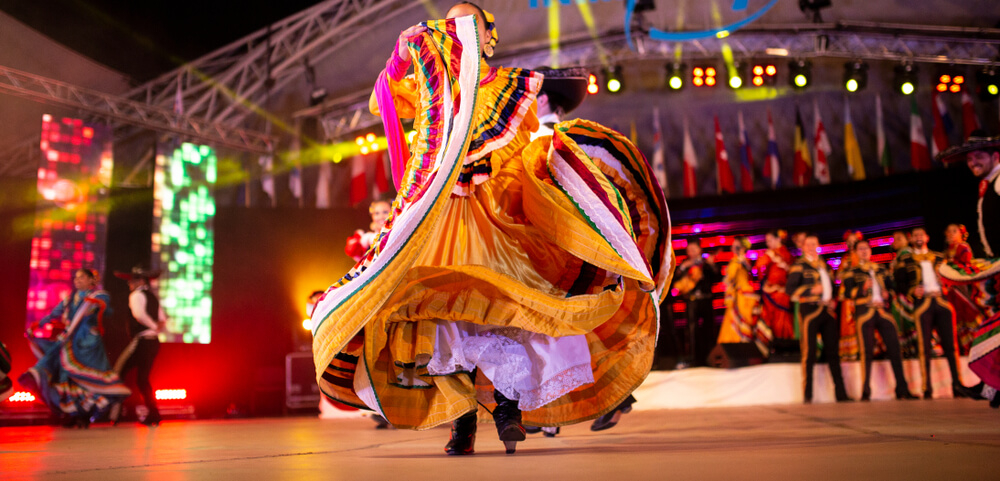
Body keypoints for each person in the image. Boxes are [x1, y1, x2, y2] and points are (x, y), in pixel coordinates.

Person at [309, 2, 671, 456]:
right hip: (436, 226)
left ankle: (506, 411)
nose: (459, 32)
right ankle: (463, 425)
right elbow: (380, 96)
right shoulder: (431, 84)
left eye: (470, 25)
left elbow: (518, 151)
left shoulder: (515, 85)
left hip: (493, 222)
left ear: (488, 35)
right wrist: (401, 54)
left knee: (507, 313)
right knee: (442, 322)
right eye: (451, 24)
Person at [18, 268, 130, 428]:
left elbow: (105, 308)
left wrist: (95, 308)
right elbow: (54, 313)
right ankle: (73, 415)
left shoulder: (98, 296)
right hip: (70, 342)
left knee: (85, 380)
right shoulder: (71, 299)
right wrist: (38, 324)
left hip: (88, 345)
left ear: (92, 280)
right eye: (76, 278)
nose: (77, 281)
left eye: (82, 278)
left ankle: (84, 417)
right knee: (67, 377)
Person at [937, 131, 1000, 407]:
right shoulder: (990, 184)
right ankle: (992, 389)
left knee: (994, 330)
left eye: (979, 157)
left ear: (995, 156)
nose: (973, 162)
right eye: (970, 158)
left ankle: (991, 389)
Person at [894, 227, 977, 399]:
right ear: (911, 240)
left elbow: (952, 275)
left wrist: (945, 284)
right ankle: (927, 387)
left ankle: (957, 384)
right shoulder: (906, 259)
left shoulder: (940, 257)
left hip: (941, 301)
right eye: (915, 235)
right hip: (923, 303)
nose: (918, 237)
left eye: (921, 235)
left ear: (927, 237)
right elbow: (899, 283)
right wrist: (912, 291)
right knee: (924, 347)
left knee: (950, 345)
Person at [842, 239, 918, 400]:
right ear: (855, 252)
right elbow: (847, 293)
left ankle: (902, 388)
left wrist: (887, 294)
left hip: (883, 312)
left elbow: (893, 289)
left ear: (870, 251)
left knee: (895, 349)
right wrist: (862, 288)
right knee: (866, 352)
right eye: (860, 249)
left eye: (866, 249)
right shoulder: (851, 271)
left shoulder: (881, 269)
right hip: (865, 312)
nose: (864, 251)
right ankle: (865, 390)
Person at [786, 234, 849, 403]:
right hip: (810, 310)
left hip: (827, 311)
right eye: (808, 245)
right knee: (809, 353)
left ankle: (841, 394)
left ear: (818, 245)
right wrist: (810, 291)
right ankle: (808, 395)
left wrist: (834, 300)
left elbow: (834, 286)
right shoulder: (799, 265)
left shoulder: (824, 265)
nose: (811, 247)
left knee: (833, 353)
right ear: (803, 247)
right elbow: (790, 289)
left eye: (814, 244)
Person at [112, 266, 167, 426]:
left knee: (119, 372)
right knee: (142, 379)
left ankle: (117, 413)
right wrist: (156, 328)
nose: (130, 283)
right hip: (153, 342)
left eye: (133, 280)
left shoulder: (136, 295)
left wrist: (152, 326)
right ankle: (153, 413)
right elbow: (163, 318)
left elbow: (139, 315)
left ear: (141, 281)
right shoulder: (152, 296)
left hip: (143, 341)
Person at [673, 239, 721, 367]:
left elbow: (717, 277)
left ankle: (710, 357)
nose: (691, 252)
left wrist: (711, 265)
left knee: (709, 329)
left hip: (706, 299)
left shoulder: (706, 263)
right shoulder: (685, 263)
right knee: (691, 330)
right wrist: (684, 267)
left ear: (700, 249)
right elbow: (675, 279)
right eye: (689, 250)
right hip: (692, 301)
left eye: (693, 249)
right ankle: (693, 358)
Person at [718, 237, 770, 353]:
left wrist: (740, 258)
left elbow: (749, 270)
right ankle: (734, 350)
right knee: (734, 321)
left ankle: (746, 349)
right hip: (737, 295)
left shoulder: (742, 260)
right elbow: (729, 278)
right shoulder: (735, 260)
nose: (733, 248)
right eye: (733, 246)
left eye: (736, 246)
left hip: (744, 296)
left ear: (742, 248)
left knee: (745, 321)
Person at [943, 224, 985, 355]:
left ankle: (978, 346)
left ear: (961, 234)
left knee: (969, 313)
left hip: (963, 286)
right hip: (952, 289)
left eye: (954, 231)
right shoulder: (946, 252)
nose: (951, 234)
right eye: (948, 231)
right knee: (957, 318)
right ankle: (964, 348)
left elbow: (966, 262)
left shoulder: (963, 247)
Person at [754, 230, 795, 340]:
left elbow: (758, 267)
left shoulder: (780, 254)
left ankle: (782, 345)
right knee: (780, 320)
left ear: (778, 239)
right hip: (778, 293)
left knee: (779, 320)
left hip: (779, 293)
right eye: (767, 241)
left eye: (769, 241)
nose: (768, 244)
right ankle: (782, 345)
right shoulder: (783, 254)